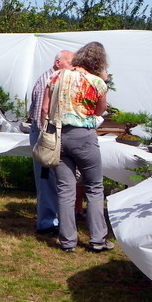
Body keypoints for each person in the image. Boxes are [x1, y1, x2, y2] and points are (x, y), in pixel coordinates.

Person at [41, 41, 111, 253]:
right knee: (94, 187)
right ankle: (97, 239)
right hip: (83, 138)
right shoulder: (96, 82)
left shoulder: (56, 76)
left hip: (59, 136)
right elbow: (99, 111)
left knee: (65, 190)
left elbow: (45, 108)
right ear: (99, 62)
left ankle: (67, 241)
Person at [29, 50, 74, 234]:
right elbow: (42, 114)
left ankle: (54, 218)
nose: (73, 66)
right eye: (70, 62)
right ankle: (47, 223)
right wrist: (47, 141)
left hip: (51, 135)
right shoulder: (46, 81)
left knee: (54, 179)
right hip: (45, 136)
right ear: (58, 63)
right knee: (46, 179)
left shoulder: (58, 80)